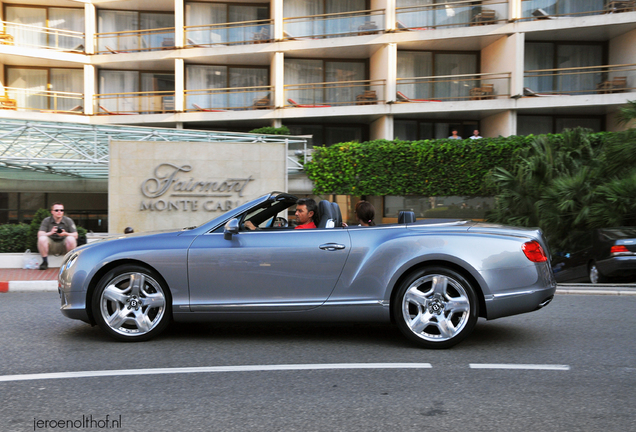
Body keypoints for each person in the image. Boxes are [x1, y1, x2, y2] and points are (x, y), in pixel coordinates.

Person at [37, 202, 78, 270]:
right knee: (42, 238)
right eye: (56, 210)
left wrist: (65, 233)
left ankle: (69, 262)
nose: (59, 212)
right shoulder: (46, 220)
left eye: (61, 210)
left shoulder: (68, 220)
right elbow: (39, 235)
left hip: (64, 245)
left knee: (71, 238)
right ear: (52, 212)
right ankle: (45, 262)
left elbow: (76, 235)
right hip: (51, 245)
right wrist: (50, 232)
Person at [244, 198, 319, 230]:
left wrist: (254, 229)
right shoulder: (310, 227)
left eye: (300, 211)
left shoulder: (303, 230)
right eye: (296, 210)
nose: (296, 213)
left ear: (310, 214)